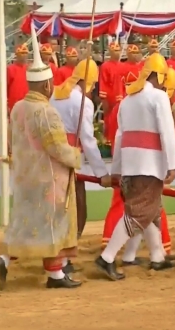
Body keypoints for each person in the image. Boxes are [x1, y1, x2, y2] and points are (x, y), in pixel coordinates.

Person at [0, 26, 83, 290]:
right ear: (46, 84)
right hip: (48, 178)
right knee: (51, 224)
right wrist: (75, 157)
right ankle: (55, 276)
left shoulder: (18, 108)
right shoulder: (46, 112)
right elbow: (57, 147)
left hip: (24, 177)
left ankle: (5, 259)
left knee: (26, 222)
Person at [95, 52, 175, 281]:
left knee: (149, 211)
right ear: (158, 76)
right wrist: (172, 164)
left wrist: (117, 169)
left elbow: (120, 137)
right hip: (149, 166)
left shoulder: (127, 100)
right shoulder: (158, 98)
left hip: (131, 166)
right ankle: (107, 257)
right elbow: (167, 132)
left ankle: (157, 256)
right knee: (138, 213)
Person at [51, 57, 112, 264]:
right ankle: (63, 261)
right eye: (93, 84)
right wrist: (102, 173)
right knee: (77, 211)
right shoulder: (82, 102)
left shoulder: (56, 94)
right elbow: (87, 139)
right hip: (69, 159)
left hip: (51, 157)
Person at [98, 41, 123, 141]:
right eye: (114, 51)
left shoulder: (123, 66)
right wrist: (104, 100)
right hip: (110, 100)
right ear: (110, 52)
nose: (117, 53)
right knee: (110, 121)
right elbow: (103, 83)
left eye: (118, 50)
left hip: (122, 98)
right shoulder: (105, 66)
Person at [6, 44, 29, 114]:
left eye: (25, 53)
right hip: (14, 103)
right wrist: (6, 104)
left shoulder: (30, 68)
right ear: (17, 55)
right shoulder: (10, 69)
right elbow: (5, 88)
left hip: (28, 102)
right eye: (22, 53)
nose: (24, 55)